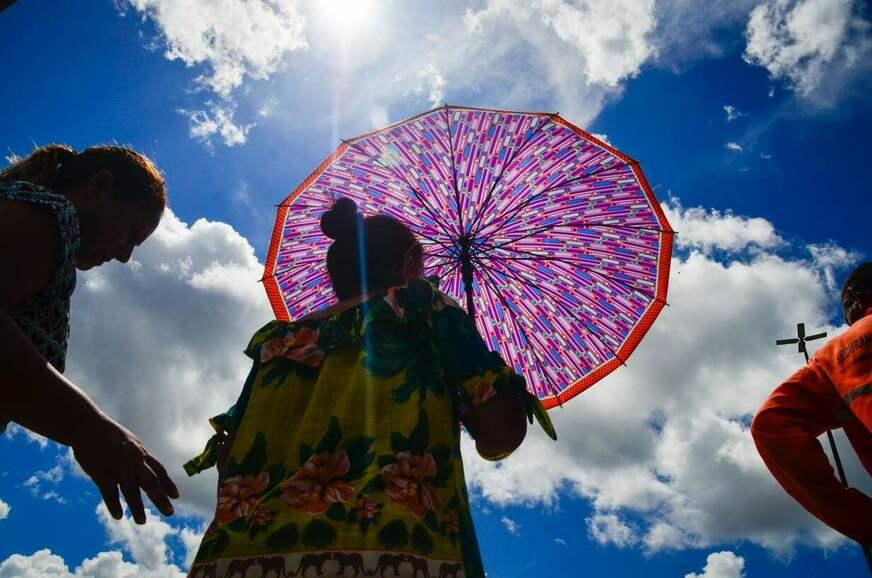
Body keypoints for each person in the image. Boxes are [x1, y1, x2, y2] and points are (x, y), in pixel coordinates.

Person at [184, 197, 556, 578]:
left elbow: (231, 459)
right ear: (410, 265)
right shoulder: (424, 310)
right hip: (391, 551)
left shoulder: (276, 345)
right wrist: (485, 376)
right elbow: (498, 435)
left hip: (238, 559)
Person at [0, 144, 179, 525]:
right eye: (130, 233)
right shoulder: (49, 218)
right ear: (98, 186)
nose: (125, 256)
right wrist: (88, 426)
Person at [751, 262, 872, 544]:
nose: (846, 319)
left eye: (845, 308)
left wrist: (862, 521)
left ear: (855, 296)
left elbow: (771, 426)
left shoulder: (836, 354)